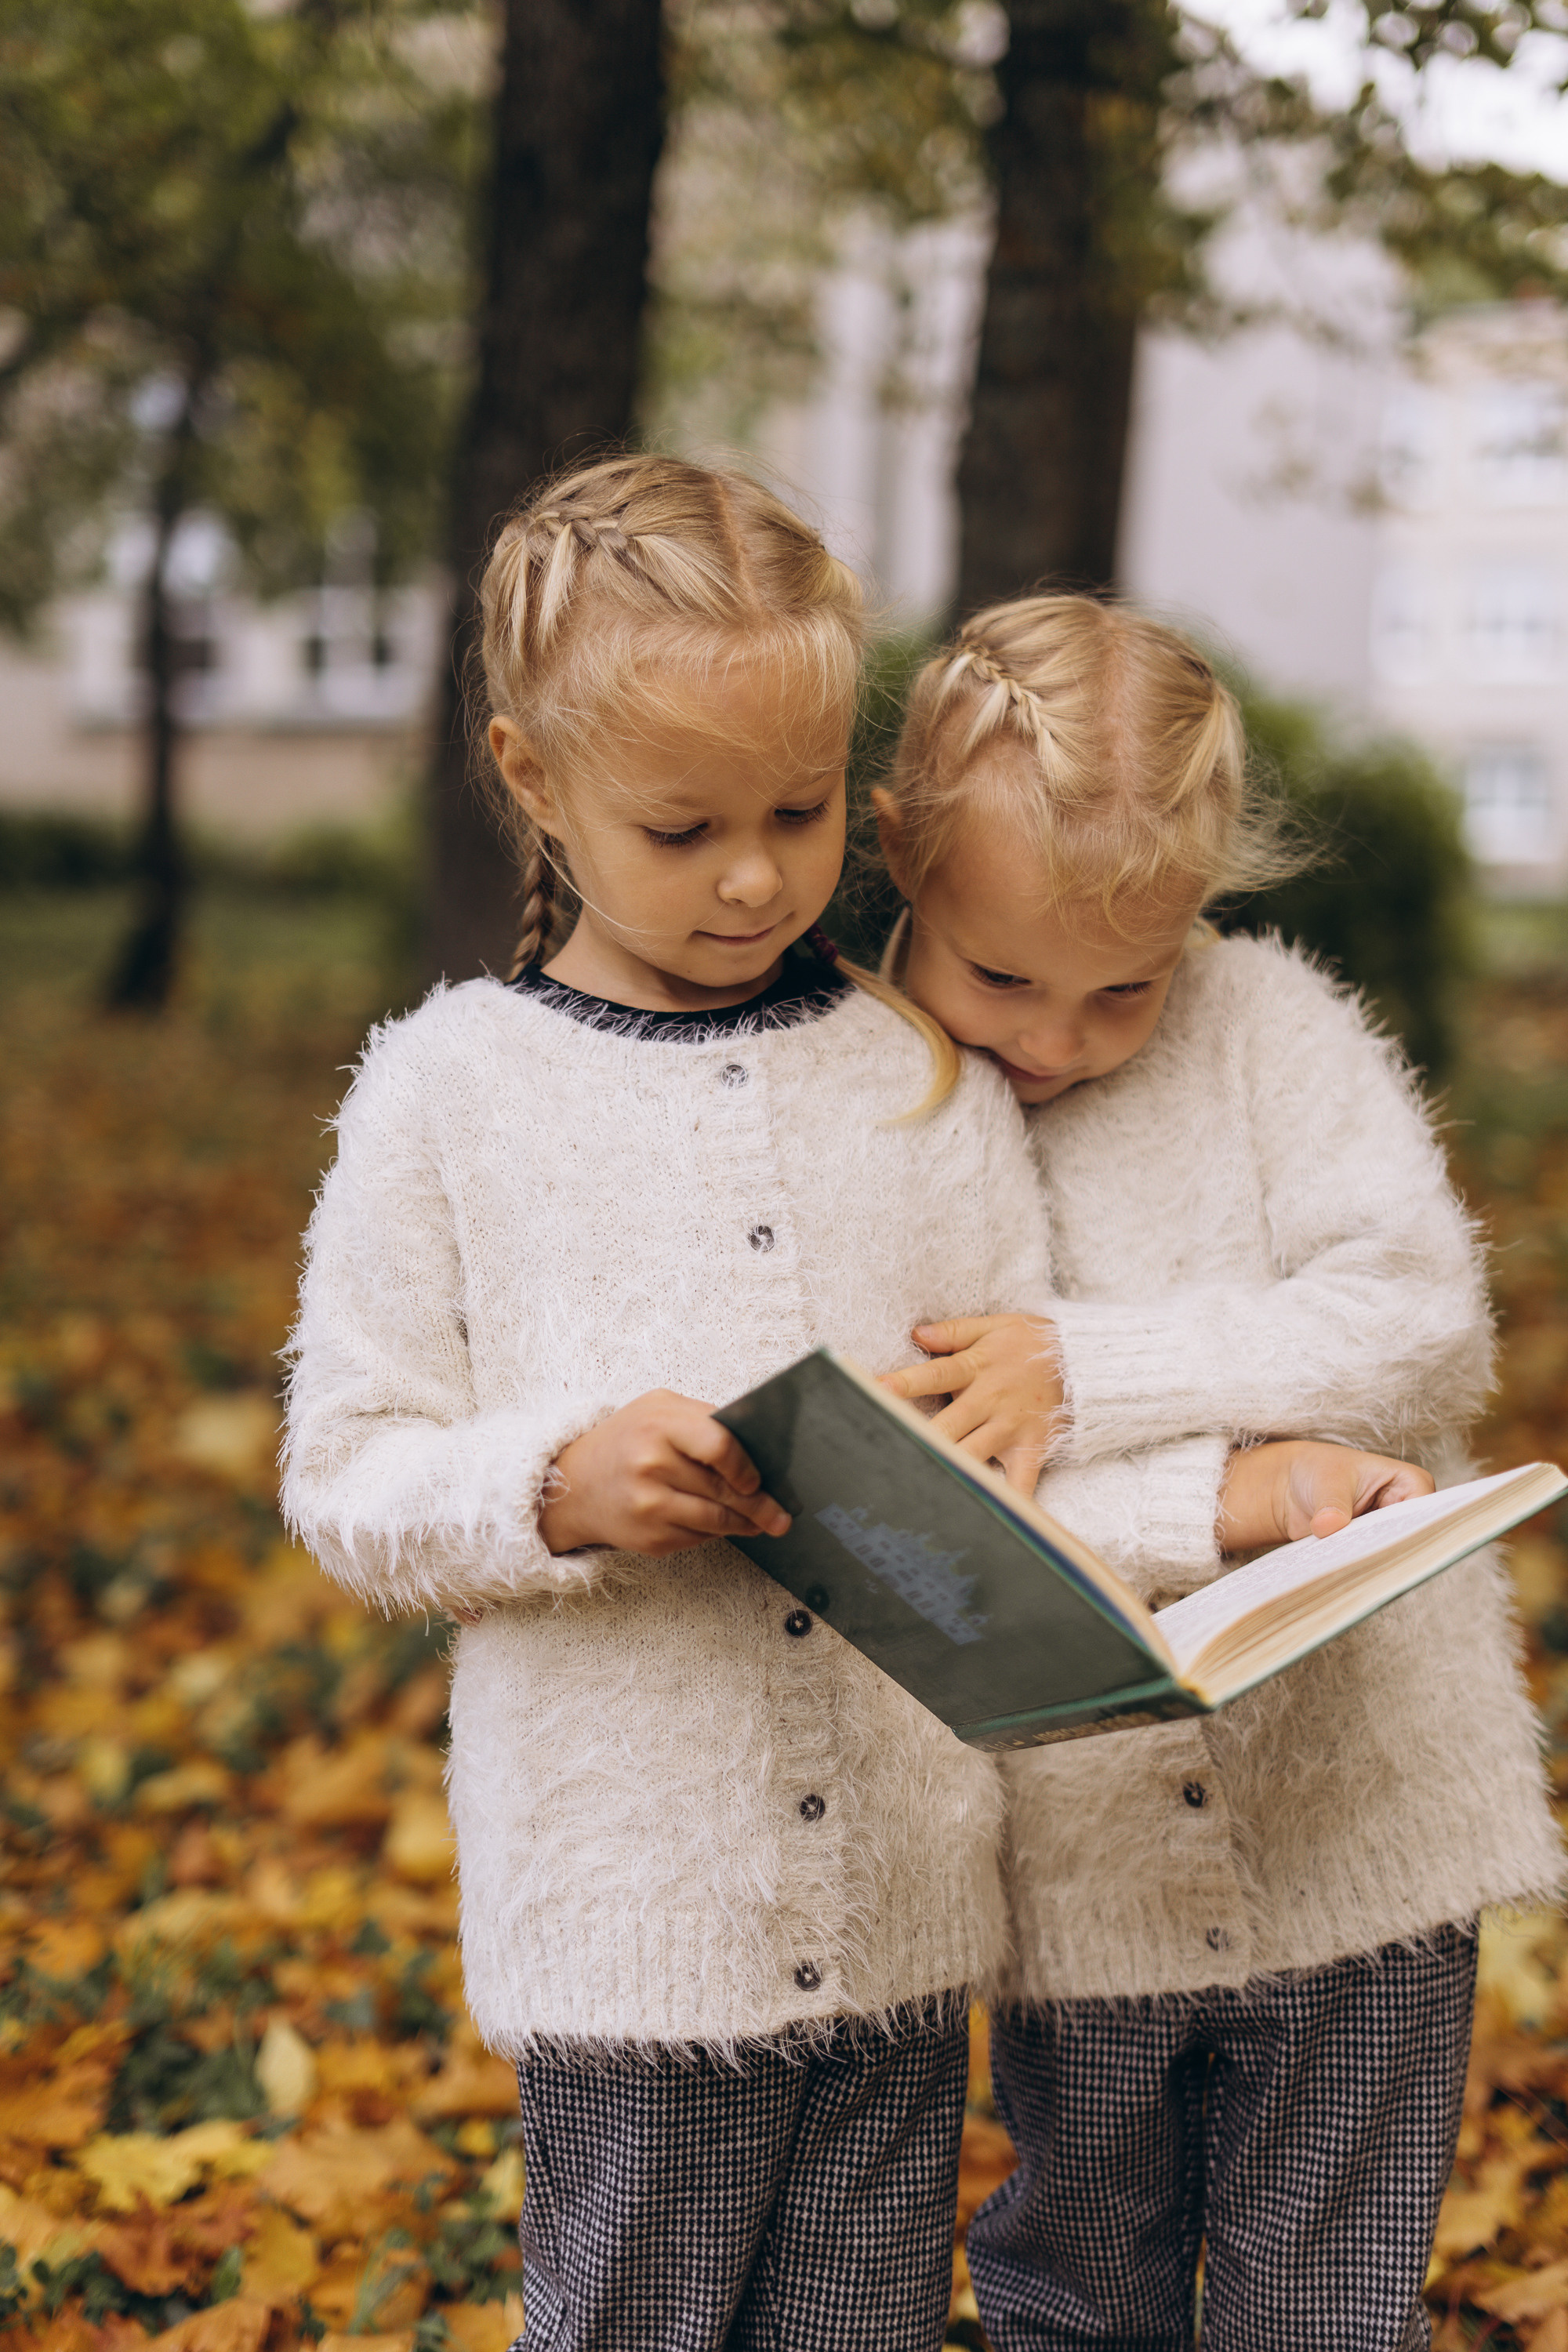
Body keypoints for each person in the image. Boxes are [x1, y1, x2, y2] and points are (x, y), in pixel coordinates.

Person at [872, 592, 1562, 2352]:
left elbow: (1417, 1318)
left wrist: (1087, 1369)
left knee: (1328, 2296)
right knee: (1078, 2285)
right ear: (899, 857)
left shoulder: (1272, 1030)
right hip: (1079, 1848)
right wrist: (1223, 1494)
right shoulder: (866, 1108)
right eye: (1002, 978)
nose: (1056, 1036)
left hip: (1368, 1815)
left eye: (1127, 985)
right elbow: (917, 1493)